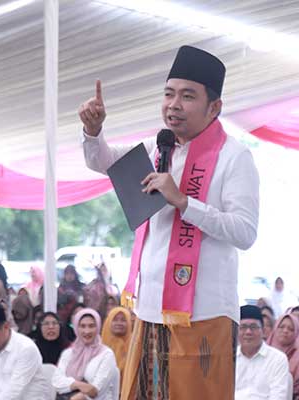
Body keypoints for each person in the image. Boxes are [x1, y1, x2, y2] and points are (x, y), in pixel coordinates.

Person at [80, 45, 259, 399]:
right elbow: (104, 162)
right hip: (148, 311)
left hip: (204, 315)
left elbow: (245, 231)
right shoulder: (158, 147)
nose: (174, 104)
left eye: (187, 96)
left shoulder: (235, 157)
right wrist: (93, 131)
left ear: (214, 107)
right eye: (168, 94)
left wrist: (184, 202)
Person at [53, 308, 119, 400]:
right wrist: (78, 385)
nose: (87, 331)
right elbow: (56, 382)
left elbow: (96, 391)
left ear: (98, 327)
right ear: (76, 328)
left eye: (91, 326)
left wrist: (78, 395)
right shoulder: (69, 353)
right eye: (82, 326)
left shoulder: (106, 354)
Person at [235, 305, 289, 400]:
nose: (248, 332)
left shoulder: (278, 359)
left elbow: (278, 396)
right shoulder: (229, 358)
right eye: (243, 327)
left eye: (253, 327)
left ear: (263, 331)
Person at [267, 313, 299, 387]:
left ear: (296, 333)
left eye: (291, 329)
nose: (285, 331)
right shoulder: (263, 352)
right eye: (281, 327)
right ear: (275, 328)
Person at [101, 306, 132, 386]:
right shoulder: (99, 347)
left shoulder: (134, 347)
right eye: (115, 320)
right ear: (108, 322)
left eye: (123, 320)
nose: (119, 323)